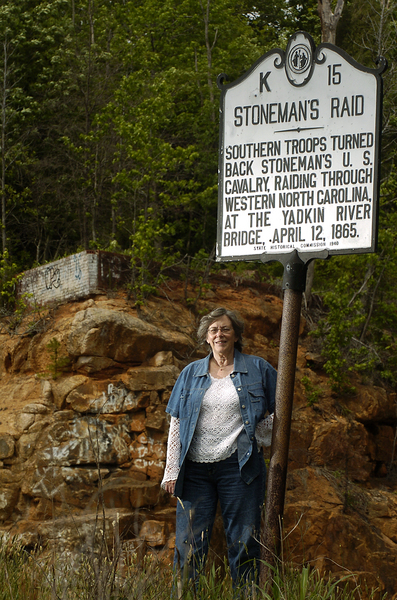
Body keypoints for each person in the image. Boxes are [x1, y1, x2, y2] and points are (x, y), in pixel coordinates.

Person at [161, 307, 277, 591]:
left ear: (236, 335)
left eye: (225, 329)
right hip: (194, 471)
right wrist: (171, 470)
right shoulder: (190, 374)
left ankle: (247, 596)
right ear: (206, 338)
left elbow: (281, 414)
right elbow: (176, 423)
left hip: (239, 468)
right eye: (213, 330)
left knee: (244, 541)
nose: (219, 334)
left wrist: (255, 437)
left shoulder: (258, 368)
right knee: (190, 544)